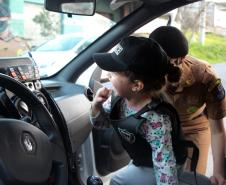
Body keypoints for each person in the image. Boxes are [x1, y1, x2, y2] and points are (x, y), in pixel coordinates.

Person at [90, 36, 190, 185]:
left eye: (114, 73)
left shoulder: (155, 120)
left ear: (136, 85)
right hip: (143, 159)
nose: (107, 75)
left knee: (117, 181)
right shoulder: (118, 99)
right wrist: (96, 106)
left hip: (165, 164)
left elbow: (164, 165)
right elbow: (101, 125)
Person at [149, 26, 226, 185]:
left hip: (193, 126)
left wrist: (219, 172)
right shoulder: (142, 71)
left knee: (192, 179)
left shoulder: (205, 76)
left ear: (179, 59)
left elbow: (217, 130)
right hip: (157, 127)